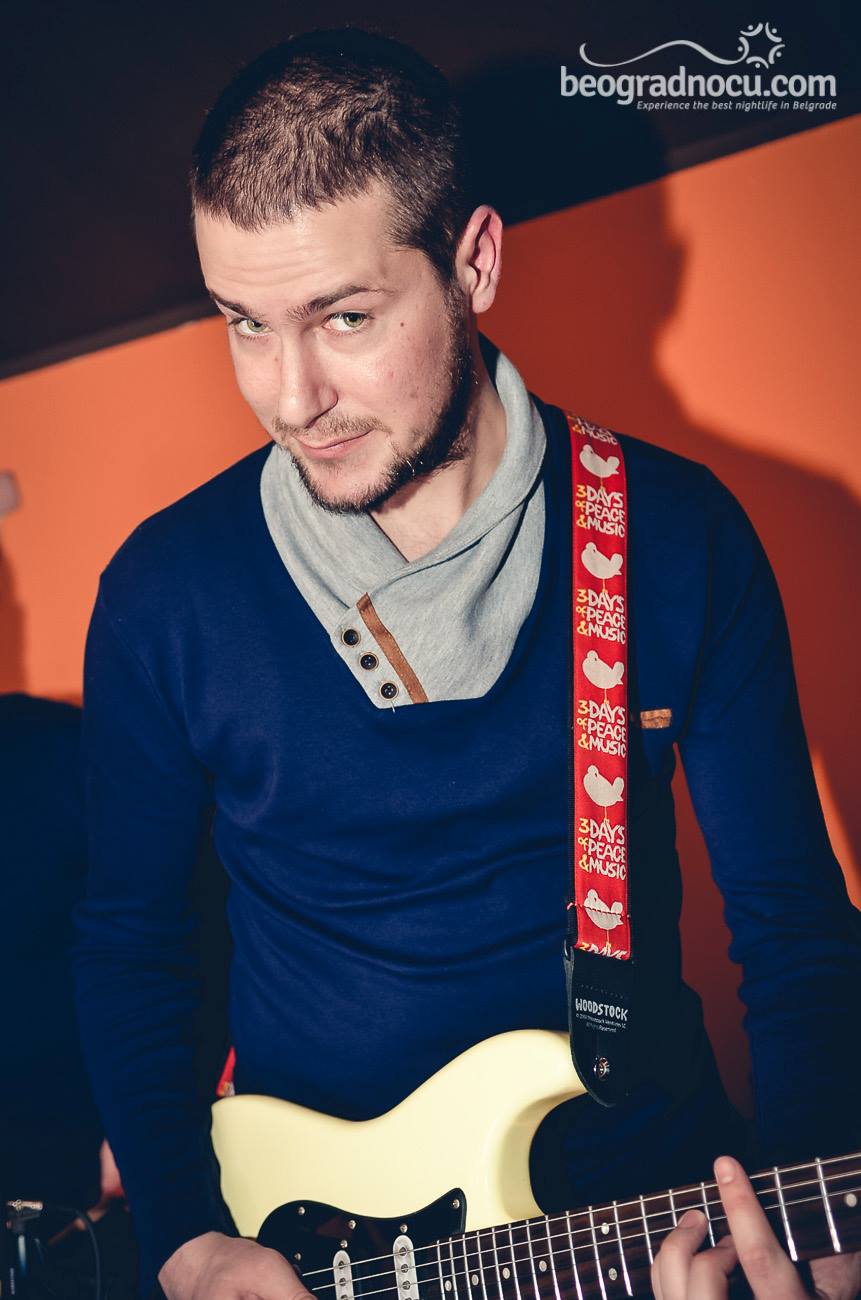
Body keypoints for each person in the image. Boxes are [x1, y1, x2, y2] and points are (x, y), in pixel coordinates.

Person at [71, 27, 861, 1300]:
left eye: (343, 318)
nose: (291, 397)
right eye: (244, 325)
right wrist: (185, 1238)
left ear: (475, 261)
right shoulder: (166, 594)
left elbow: (794, 927)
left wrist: (820, 1226)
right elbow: (130, 944)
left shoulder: (674, 536)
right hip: (315, 1245)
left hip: (640, 1231)